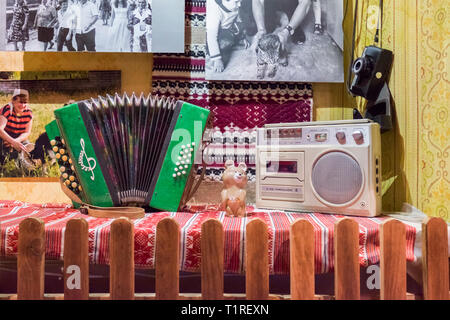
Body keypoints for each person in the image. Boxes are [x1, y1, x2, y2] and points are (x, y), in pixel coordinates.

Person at [206, 0, 244, 73]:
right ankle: (210, 52)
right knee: (224, 45)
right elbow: (211, 37)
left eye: (240, 1)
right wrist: (217, 59)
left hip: (227, 27)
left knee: (243, 24)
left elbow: (238, 20)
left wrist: (242, 36)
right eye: (236, 2)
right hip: (211, 34)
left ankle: (235, 42)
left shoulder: (233, 6)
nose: (239, 5)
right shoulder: (215, 11)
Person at [0, 89, 33, 164]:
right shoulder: (7, 110)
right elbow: (0, 130)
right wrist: (12, 141)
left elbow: (27, 132)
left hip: (18, 137)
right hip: (4, 136)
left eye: (25, 102)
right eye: (20, 102)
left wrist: (17, 141)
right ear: (13, 101)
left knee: (28, 148)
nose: (23, 105)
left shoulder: (29, 113)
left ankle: (21, 163)